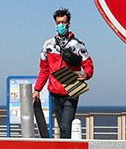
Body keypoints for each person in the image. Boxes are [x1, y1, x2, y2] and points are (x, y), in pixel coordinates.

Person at [33, 8, 93, 139]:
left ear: (69, 24)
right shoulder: (48, 45)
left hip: (71, 90)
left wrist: (87, 74)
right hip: (55, 92)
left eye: (63, 22)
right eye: (58, 23)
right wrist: (37, 89)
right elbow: (44, 69)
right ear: (55, 24)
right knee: (61, 126)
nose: (61, 26)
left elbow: (88, 64)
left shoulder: (78, 44)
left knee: (66, 127)